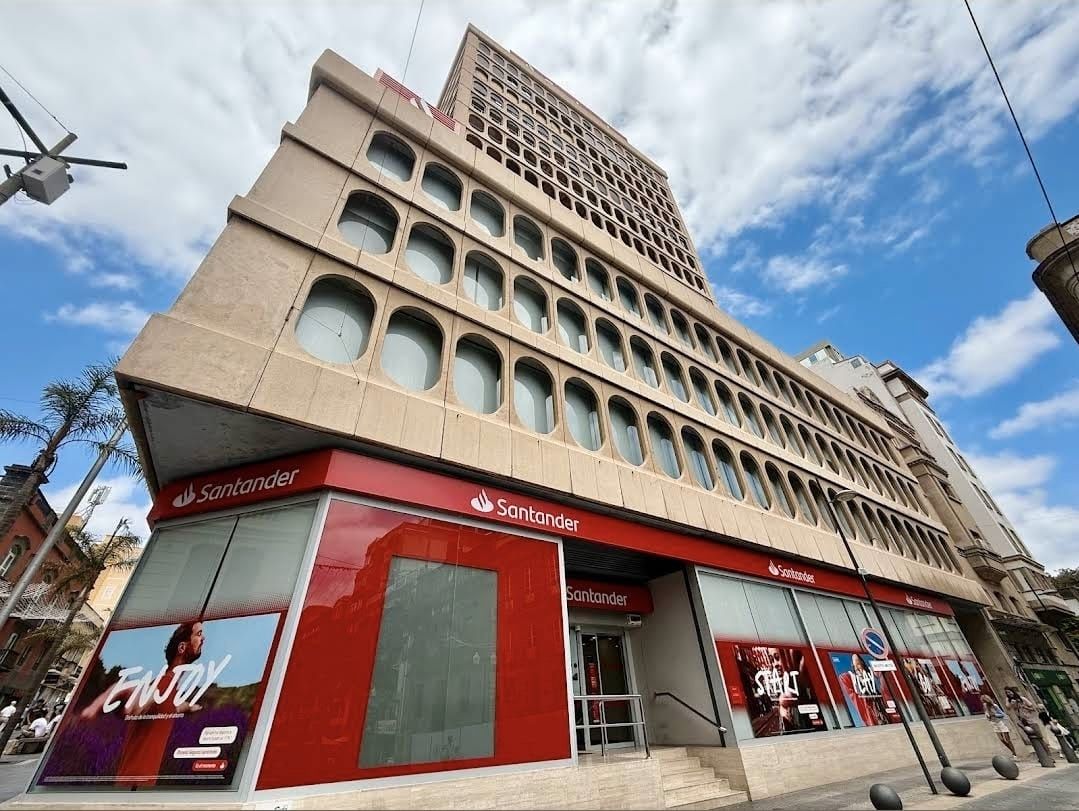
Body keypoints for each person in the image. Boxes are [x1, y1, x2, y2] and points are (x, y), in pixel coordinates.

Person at [981, 693, 1016, 757]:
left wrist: (995, 715)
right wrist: (988, 717)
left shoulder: (994, 706)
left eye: (985, 701)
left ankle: (1014, 753)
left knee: (1007, 739)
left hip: (1001, 722)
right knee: (1001, 739)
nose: (984, 703)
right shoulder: (985, 707)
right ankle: (1012, 751)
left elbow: (1002, 714)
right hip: (994, 723)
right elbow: (987, 715)